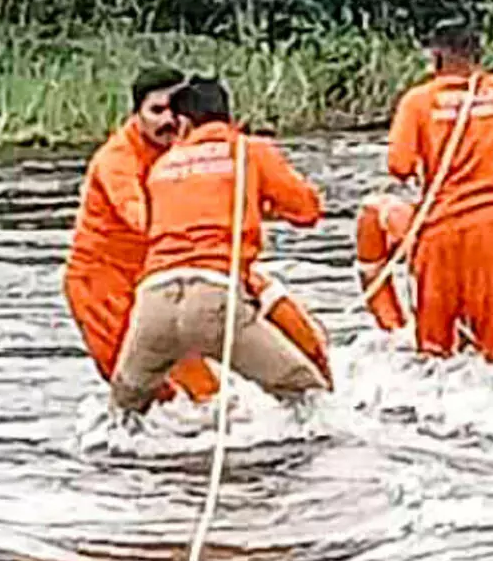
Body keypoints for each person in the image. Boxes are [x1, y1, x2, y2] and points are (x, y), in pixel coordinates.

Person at [109, 77, 333, 415]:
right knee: (307, 394)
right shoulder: (249, 150)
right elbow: (307, 211)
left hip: (152, 301)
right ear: (229, 116)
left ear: (184, 122)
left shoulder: (161, 166)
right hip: (215, 299)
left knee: (124, 409)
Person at [383, 26, 493, 363]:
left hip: (440, 232)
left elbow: (399, 164)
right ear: (478, 54)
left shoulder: (418, 101)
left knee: (434, 353)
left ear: (437, 56)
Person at [63, 67, 219, 405]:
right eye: (156, 111)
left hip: (154, 279)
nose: (168, 120)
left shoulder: (188, 146)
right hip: (101, 285)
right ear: (137, 114)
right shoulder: (117, 160)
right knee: (142, 393)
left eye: (174, 110)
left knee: (204, 393)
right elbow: (138, 215)